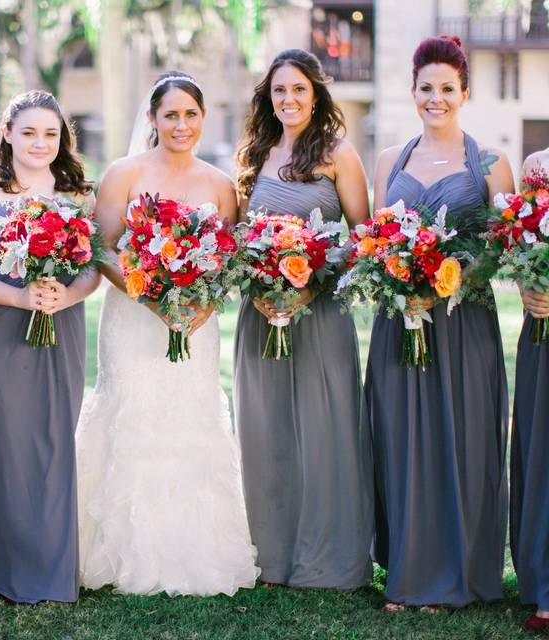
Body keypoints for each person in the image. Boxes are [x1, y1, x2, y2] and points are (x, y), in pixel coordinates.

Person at [75, 71, 260, 596]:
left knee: (190, 414)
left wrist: (202, 302)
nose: (181, 124)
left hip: (194, 324)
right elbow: (104, 248)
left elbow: (227, 260)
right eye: (171, 115)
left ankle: (193, 550)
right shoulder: (124, 173)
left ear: (203, 119)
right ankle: (115, 552)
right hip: (134, 316)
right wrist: (148, 293)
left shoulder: (220, 184)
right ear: (153, 120)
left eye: (191, 115)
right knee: (132, 414)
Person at [367, 34, 514, 612]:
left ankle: (457, 571)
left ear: (465, 92)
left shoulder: (491, 163)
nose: (436, 99)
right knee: (403, 441)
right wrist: (401, 285)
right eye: (426, 88)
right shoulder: (390, 161)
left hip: (462, 326)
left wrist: (449, 283)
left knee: (463, 440)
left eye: (447, 89)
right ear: (413, 91)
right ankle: (409, 569)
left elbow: (502, 249)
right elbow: (375, 240)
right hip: (399, 321)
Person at [233, 49, 373, 589]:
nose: (288, 100)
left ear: (316, 93)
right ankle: (270, 555)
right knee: (266, 430)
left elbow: (364, 239)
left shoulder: (339, 153)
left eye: (298, 89)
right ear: (268, 99)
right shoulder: (256, 153)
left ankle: (328, 560)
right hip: (263, 314)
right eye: (278, 91)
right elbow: (241, 240)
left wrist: (310, 282)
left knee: (325, 428)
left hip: (320, 315)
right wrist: (262, 286)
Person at [0, 90, 99, 604]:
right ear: (9, 135)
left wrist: (66, 296)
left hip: (61, 329)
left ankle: (51, 559)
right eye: (30, 132)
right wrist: (20, 296)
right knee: (5, 438)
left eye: (51, 134)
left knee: (52, 438)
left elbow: (91, 271)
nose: (40, 143)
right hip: (0, 327)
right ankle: (1, 556)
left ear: (62, 140)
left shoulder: (79, 194)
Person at [510, 146, 549, 633]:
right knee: (542, 448)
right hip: (542, 329)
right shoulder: (537, 165)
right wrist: (529, 286)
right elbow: (520, 245)